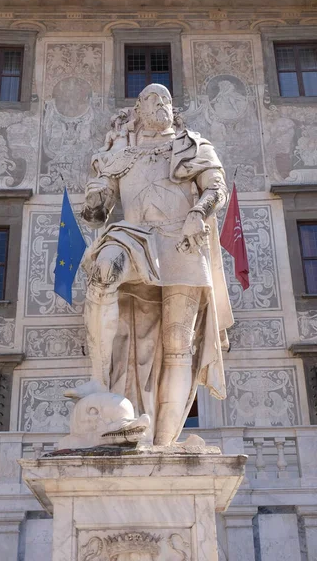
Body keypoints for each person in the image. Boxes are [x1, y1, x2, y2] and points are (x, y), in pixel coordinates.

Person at [81, 83, 233, 445]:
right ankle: (99, 379)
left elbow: (216, 187)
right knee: (103, 273)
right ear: (137, 108)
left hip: (182, 243)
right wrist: (95, 198)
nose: (161, 102)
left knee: (177, 345)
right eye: (152, 98)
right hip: (134, 236)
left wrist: (199, 212)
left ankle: (163, 443)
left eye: (166, 98)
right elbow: (97, 214)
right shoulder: (120, 150)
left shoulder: (192, 145)